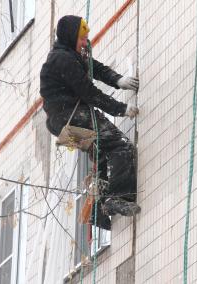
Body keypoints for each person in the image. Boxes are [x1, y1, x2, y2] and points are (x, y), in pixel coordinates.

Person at [40, 15, 140, 230]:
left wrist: (117, 80)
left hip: (62, 127)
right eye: (82, 39)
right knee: (120, 146)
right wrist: (120, 109)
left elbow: (95, 68)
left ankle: (98, 210)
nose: (85, 43)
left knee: (102, 154)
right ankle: (117, 197)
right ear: (70, 36)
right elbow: (89, 93)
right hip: (72, 116)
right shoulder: (63, 60)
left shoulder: (68, 56)